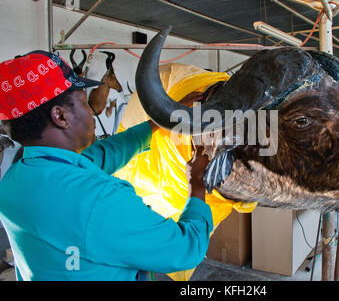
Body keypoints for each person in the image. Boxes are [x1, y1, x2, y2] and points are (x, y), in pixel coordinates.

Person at [0, 50, 213, 280]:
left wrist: (160, 121)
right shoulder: (99, 198)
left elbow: (100, 155)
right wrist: (197, 183)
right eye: (83, 102)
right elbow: (184, 250)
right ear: (60, 116)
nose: (91, 111)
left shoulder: (15, 179)